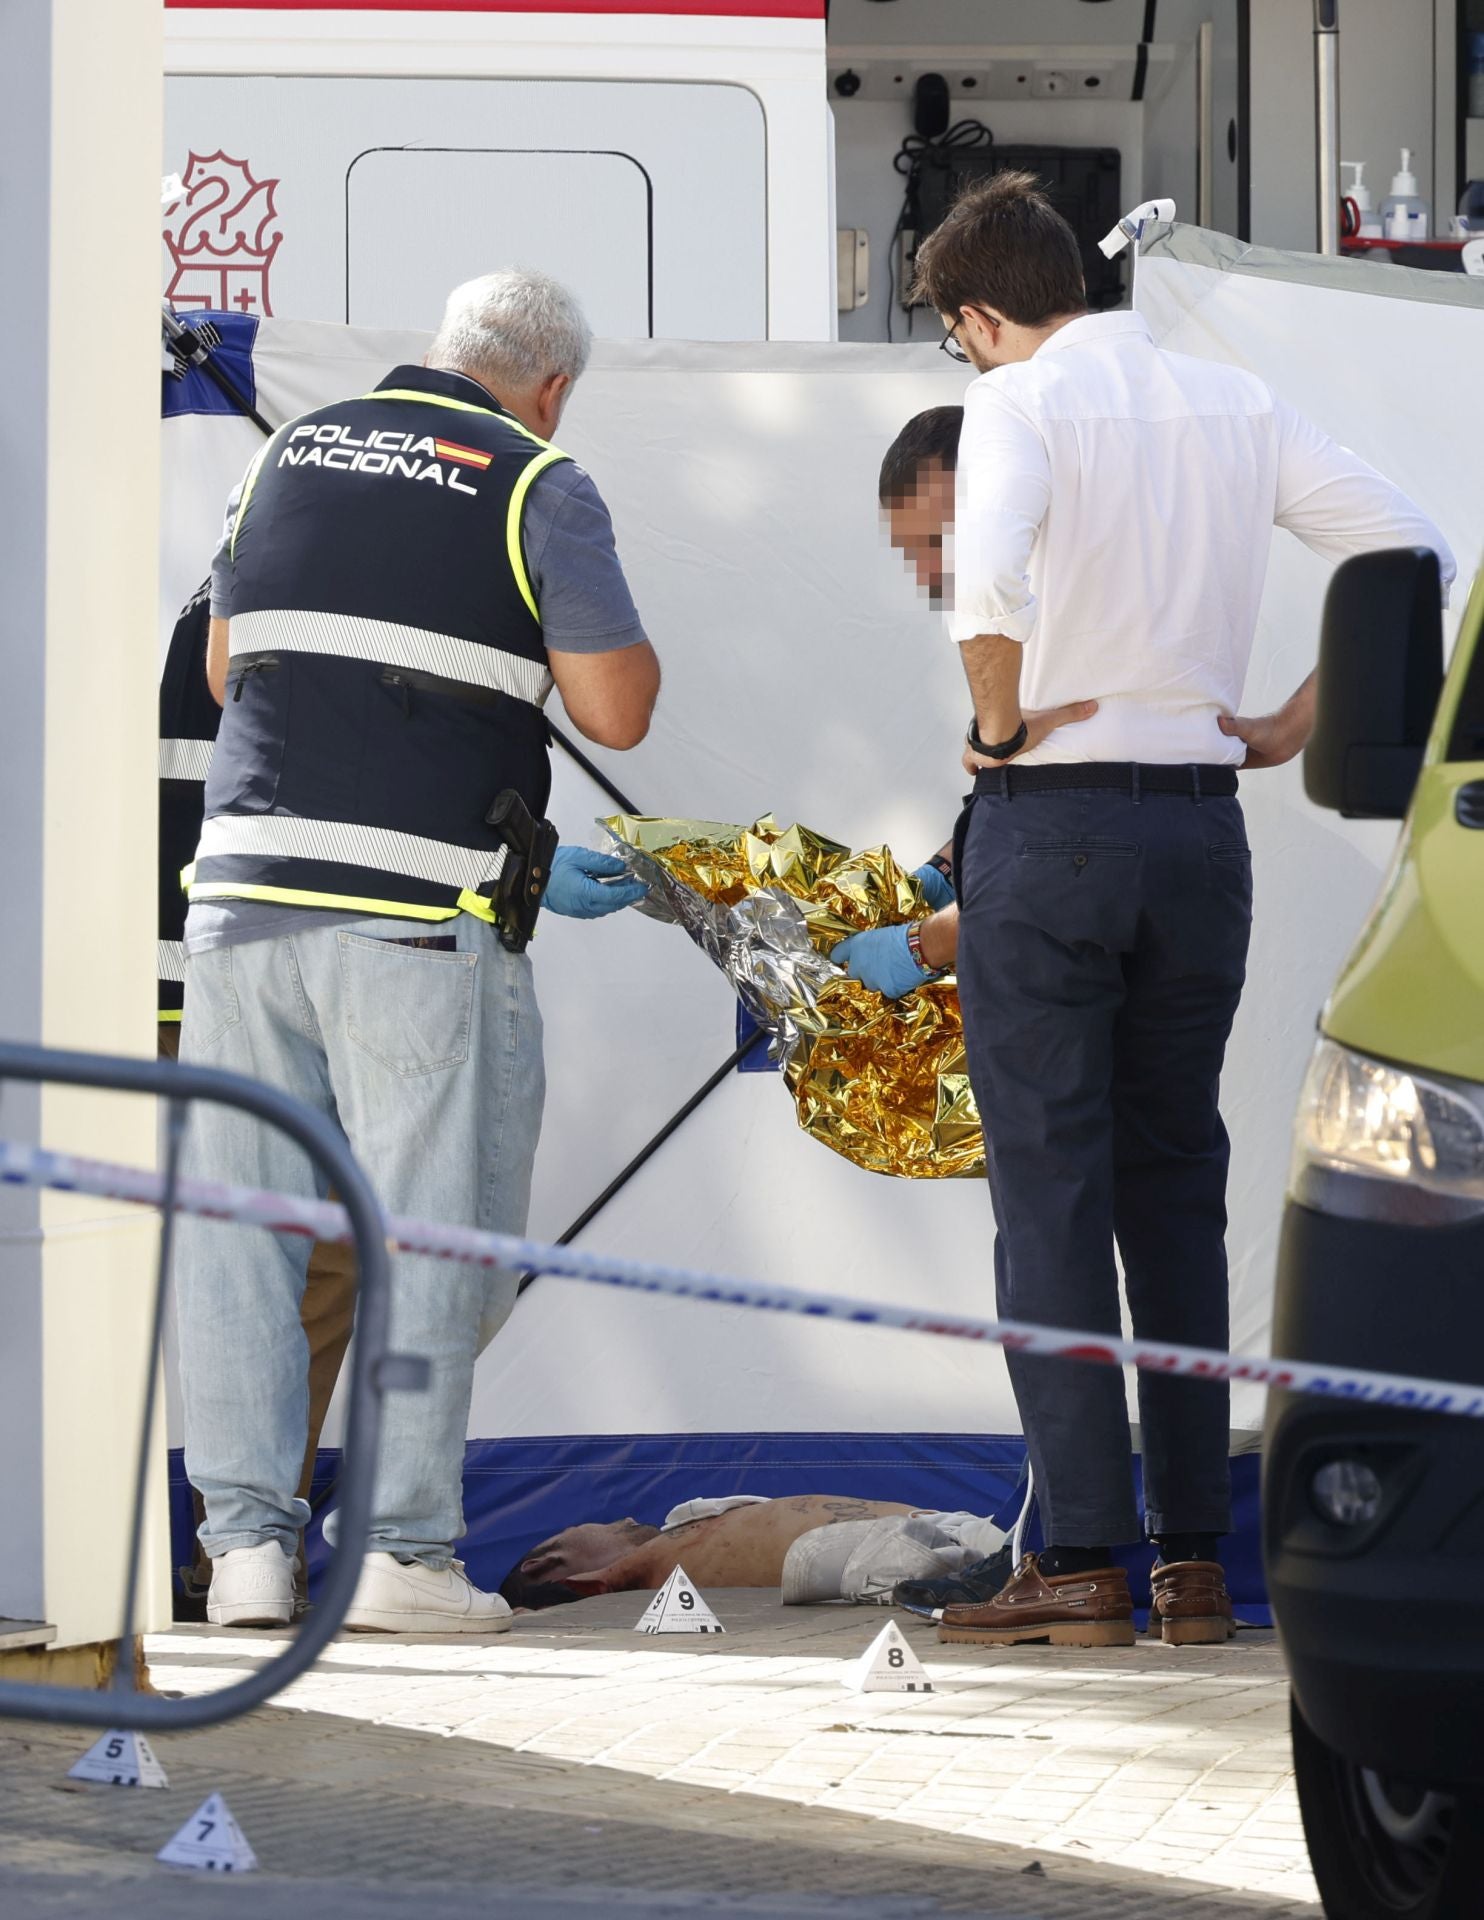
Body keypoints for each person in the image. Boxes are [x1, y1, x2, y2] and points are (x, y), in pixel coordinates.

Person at [861, 173, 1455, 1650]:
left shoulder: (1018, 405)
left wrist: (995, 725)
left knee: (1050, 1201)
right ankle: (1194, 1561)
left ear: (982, 315)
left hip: (1053, 832)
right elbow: (1415, 552)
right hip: (1203, 840)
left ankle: (1078, 1560)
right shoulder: (1234, 405)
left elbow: (985, 575)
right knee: (1174, 1197)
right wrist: (1293, 724)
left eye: (962, 338)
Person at [173, 268, 660, 1636]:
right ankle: (401, 1557)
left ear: (435, 353)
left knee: (246, 1242)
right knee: (438, 1239)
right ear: (550, 386)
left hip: (241, 906)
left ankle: (252, 1557)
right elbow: (615, 712)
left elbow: (224, 670)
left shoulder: (283, 454)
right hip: (418, 918)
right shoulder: (535, 481)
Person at [158, 581, 355, 1620]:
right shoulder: (296, 556)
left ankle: (236, 1547)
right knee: (287, 1261)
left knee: (300, 1259)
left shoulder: (248, 544)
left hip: (216, 959)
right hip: (225, 966)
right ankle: (233, 1546)